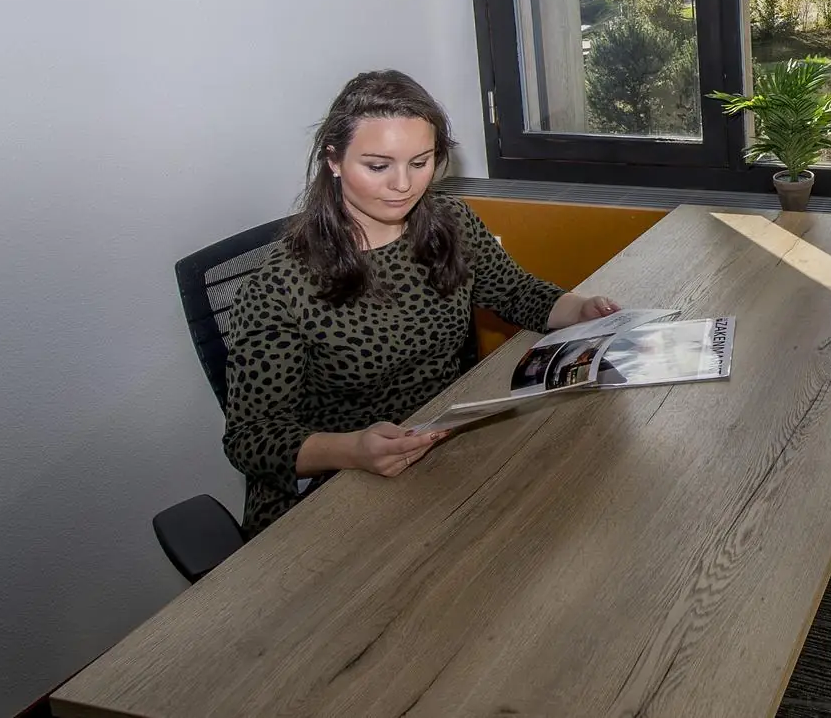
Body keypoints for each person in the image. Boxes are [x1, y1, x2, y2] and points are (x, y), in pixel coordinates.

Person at [222, 70, 619, 533]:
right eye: (378, 166)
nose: (403, 184)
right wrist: (354, 449)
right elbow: (250, 438)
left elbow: (515, 292)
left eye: (420, 162)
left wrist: (580, 308)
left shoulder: (447, 222)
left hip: (437, 450)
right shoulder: (280, 284)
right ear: (334, 160)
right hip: (334, 488)